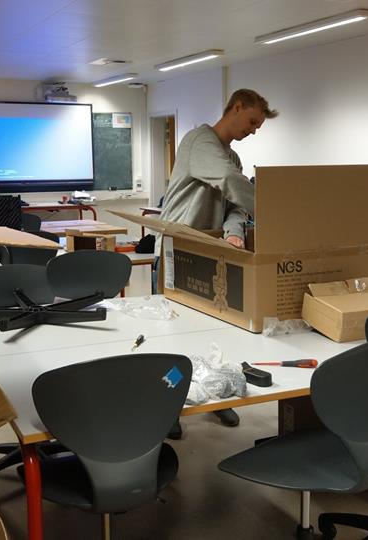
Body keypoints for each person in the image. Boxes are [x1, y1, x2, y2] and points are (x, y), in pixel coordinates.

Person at [157, 89, 278, 438]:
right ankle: (170, 404)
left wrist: (234, 232)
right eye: (252, 121)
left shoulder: (233, 158)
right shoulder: (200, 141)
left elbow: (235, 206)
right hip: (179, 251)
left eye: (258, 127)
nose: (253, 130)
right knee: (175, 338)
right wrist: (277, 213)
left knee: (212, 334)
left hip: (210, 254)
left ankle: (214, 394)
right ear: (236, 107)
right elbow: (227, 181)